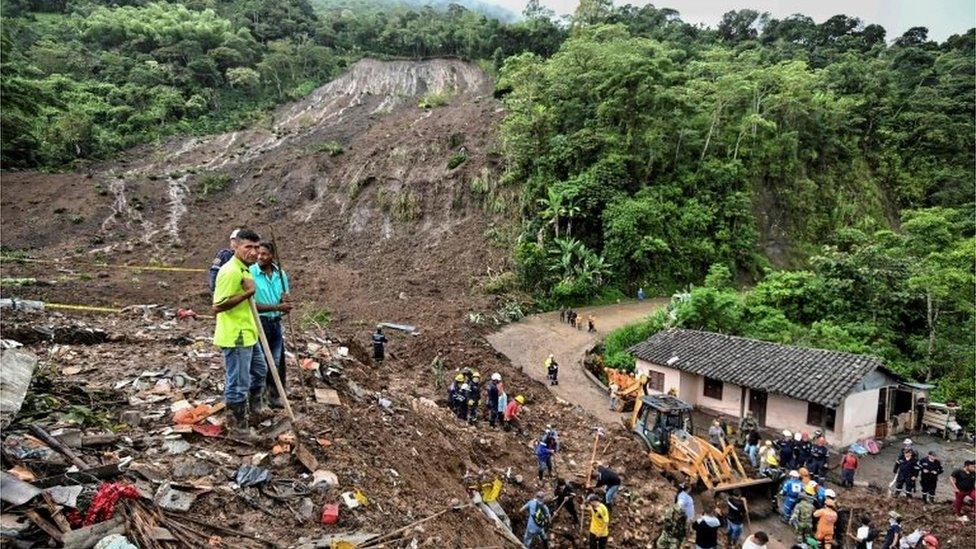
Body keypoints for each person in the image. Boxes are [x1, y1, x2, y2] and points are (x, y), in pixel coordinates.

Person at [211, 229, 266, 439]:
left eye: (256, 247)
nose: (253, 252)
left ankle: (254, 411)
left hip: (249, 332)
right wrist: (247, 292)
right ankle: (238, 428)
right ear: (237, 247)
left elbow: (250, 304)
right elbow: (217, 306)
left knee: (260, 371)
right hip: (236, 336)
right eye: (248, 247)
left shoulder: (247, 269)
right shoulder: (230, 271)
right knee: (238, 383)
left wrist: (276, 307)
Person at [249, 242, 292, 409]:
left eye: (264, 254)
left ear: (272, 256)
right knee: (261, 363)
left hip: (275, 323)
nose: (260, 257)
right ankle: (257, 399)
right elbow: (251, 303)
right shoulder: (251, 272)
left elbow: (283, 299)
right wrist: (277, 307)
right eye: (258, 253)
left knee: (277, 361)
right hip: (260, 321)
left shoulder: (280, 275)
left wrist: (285, 304)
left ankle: (275, 396)